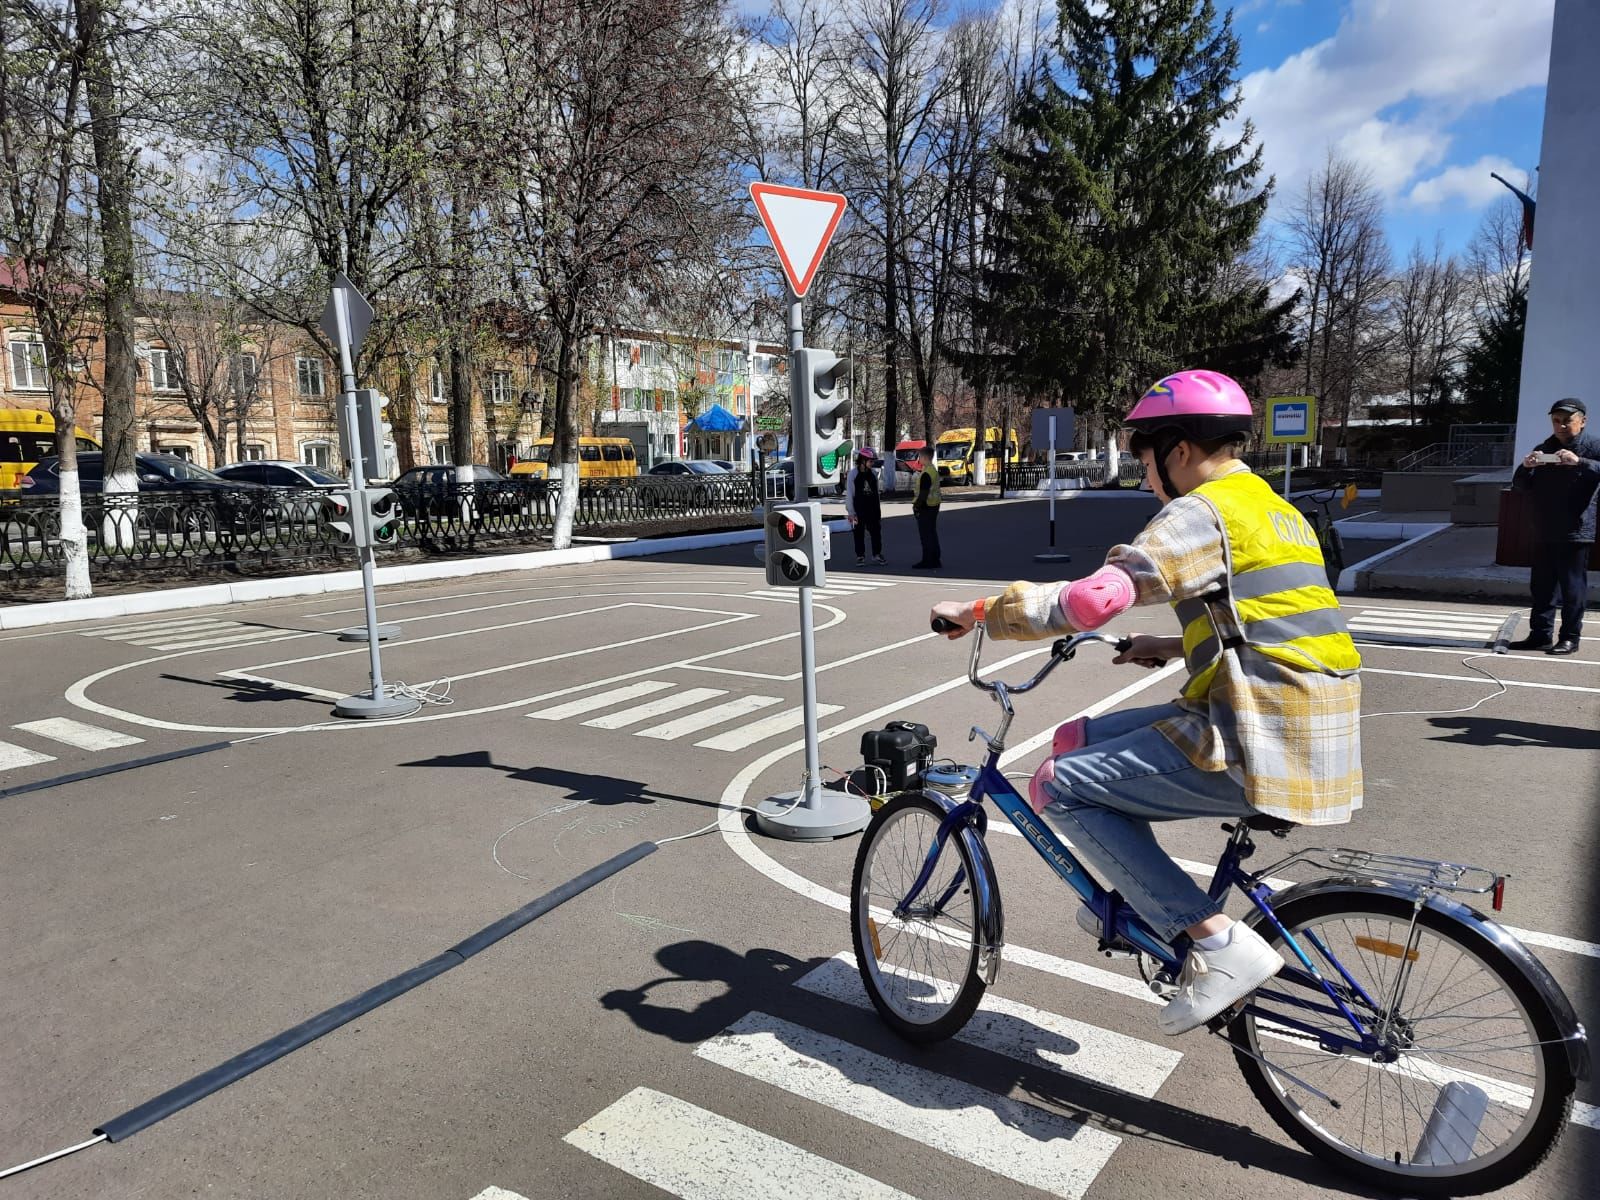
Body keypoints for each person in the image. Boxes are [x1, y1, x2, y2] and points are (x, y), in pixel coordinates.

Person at [930, 369, 1363, 1036]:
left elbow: (1090, 600)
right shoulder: (1275, 509)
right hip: (1304, 723)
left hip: (1261, 738)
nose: (1145, 473)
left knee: (1057, 787)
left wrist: (978, 611)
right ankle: (1135, 891)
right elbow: (1269, 616)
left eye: (1143, 455)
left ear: (1181, 451)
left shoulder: (1201, 510)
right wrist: (1167, 643)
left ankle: (1219, 946)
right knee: (1074, 739)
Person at [1507, 398, 1599, 655]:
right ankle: (1540, 635)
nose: (1561, 426)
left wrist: (1579, 461)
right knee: (1542, 587)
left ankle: (1570, 638)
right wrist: (1525, 468)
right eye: (1556, 421)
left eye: (1567, 421)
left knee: (1572, 589)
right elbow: (1520, 487)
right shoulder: (1544, 448)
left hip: (1575, 531)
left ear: (1582, 421)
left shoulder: (1593, 447)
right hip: (1544, 529)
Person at [846, 446, 887, 565]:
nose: (872, 463)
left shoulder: (873, 474)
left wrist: (878, 510)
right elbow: (850, 493)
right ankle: (860, 556)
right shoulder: (853, 474)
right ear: (863, 460)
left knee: (876, 532)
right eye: (870, 461)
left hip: (872, 509)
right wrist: (851, 512)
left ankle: (877, 554)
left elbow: (876, 494)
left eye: (873, 461)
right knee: (858, 533)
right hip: (859, 509)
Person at [912, 445, 942, 569]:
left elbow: (923, 494)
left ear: (924, 457)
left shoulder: (926, 474)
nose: (919, 459)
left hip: (926, 507)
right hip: (934, 505)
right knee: (932, 533)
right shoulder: (933, 470)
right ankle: (935, 559)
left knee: (926, 535)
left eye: (919, 457)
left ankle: (927, 560)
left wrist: (917, 507)